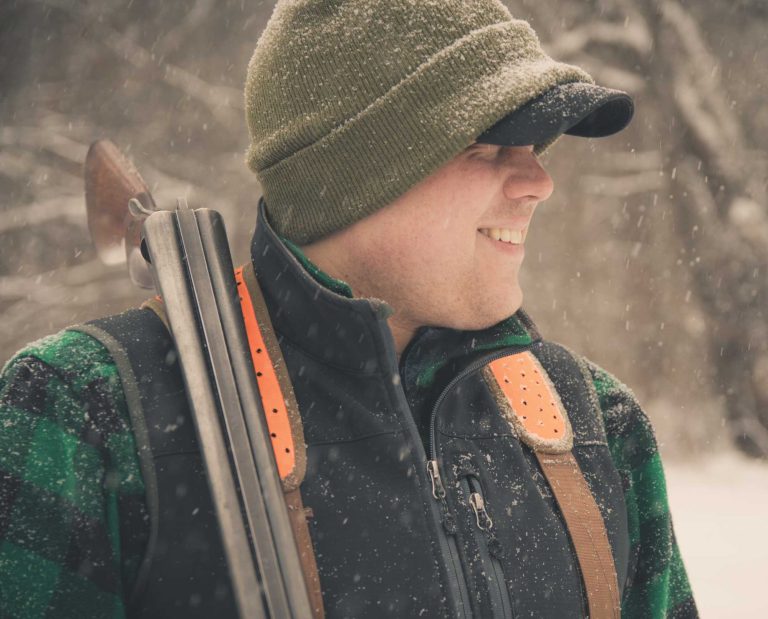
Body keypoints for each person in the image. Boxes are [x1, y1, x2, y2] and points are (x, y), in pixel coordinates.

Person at [0, 1, 698, 617]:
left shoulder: (597, 424)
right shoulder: (83, 412)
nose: (539, 181)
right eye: (488, 145)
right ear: (356, 175)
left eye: (535, 146)